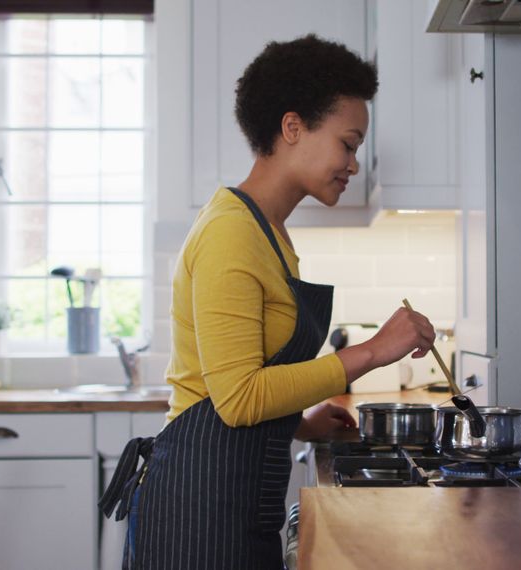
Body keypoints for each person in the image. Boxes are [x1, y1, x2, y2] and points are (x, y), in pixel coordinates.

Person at [99, 34, 437, 569]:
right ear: (292, 127)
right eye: (348, 143)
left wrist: (299, 422)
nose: (353, 163)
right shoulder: (230, 233)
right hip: (196, 511)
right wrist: (372, 351)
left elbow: (245, 383)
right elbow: (236, 398)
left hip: (232, 503)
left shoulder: (269, 232)